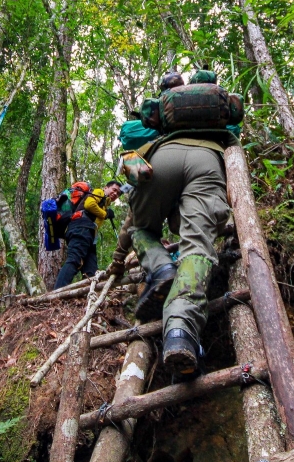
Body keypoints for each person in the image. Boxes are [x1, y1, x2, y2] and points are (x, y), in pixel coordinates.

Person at [107, 69, 237, 379]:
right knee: (197, 248)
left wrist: (117, 260)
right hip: (207, 162)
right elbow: (234, 138)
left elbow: (128, 139)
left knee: (141, 228)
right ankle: (180, 329)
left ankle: (161, 267)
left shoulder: (152, 124)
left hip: (159, 161)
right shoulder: (217, 114)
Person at [54, 180, 122, 289]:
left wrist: (106, 212)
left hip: (89, 234)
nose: (115, 194)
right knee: (74, 259)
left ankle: (86, 296)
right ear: (106, 187)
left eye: (118, 193)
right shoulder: (99, 192)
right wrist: (105, 214)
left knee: (91, 269)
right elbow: (89, 204)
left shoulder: (104, 203)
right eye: (114, 190)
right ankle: (56, 293)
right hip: (81, 227)